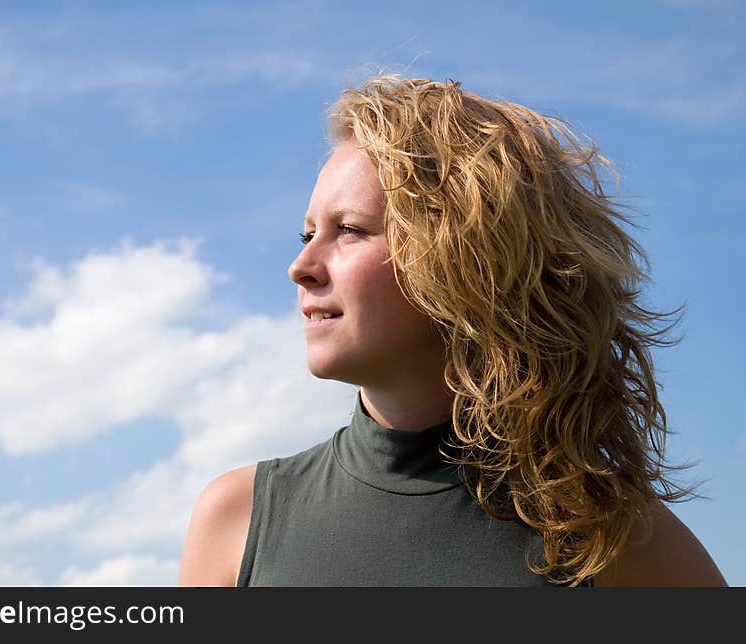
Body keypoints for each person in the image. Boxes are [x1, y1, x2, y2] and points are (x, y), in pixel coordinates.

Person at [178, 75, 727, 587]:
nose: (301, 267)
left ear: (469, 259)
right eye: (306, 234)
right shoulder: (236, 521)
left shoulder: (614, 538)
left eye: (348, 230)